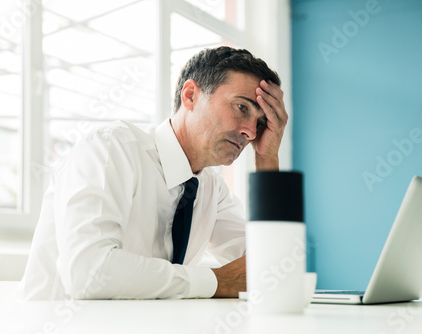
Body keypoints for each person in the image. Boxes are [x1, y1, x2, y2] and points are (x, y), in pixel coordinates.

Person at [16, 46, 288, 300]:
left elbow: (271, 269)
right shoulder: (111, 149)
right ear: (190, 95)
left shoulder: (211, 189)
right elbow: (89, 273)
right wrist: (217, 281)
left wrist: (266, 158)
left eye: (260, 123)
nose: (250, 132)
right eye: (241, 108)